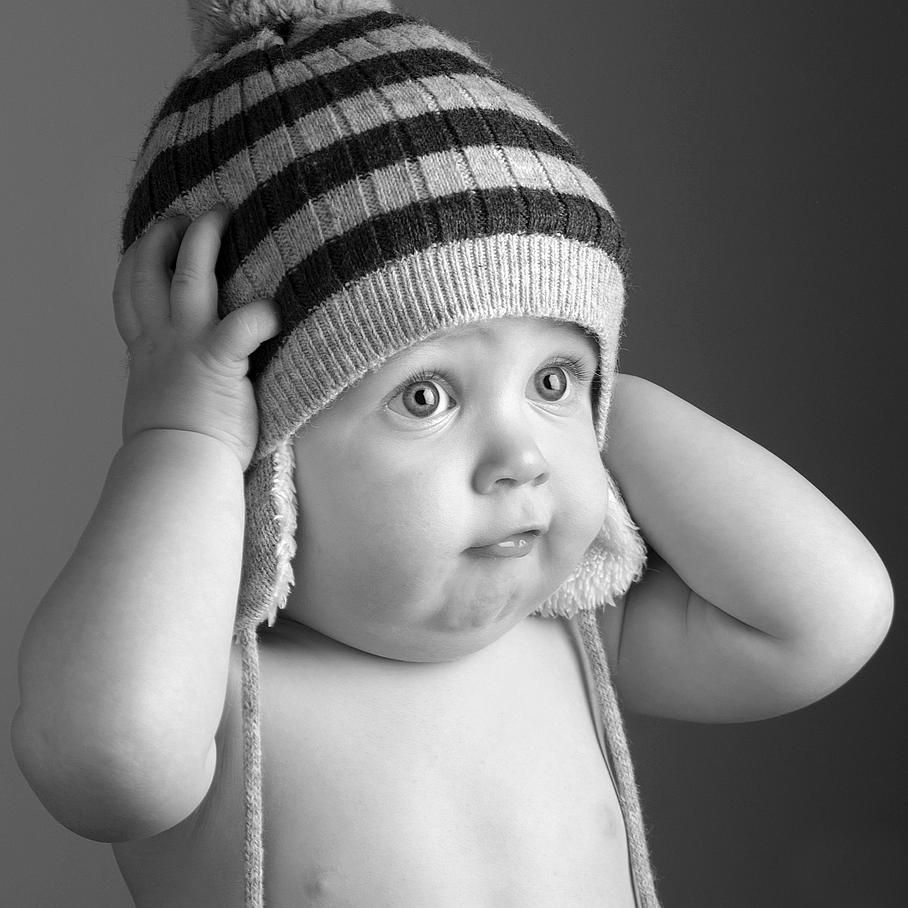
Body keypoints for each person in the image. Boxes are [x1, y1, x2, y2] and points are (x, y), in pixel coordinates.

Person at [10, 2, 893, 906]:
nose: (522, 457)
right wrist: (184, 438)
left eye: (555, 379)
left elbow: (828, 616)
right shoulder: (222, 695)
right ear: (266, 455)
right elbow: (105, 760)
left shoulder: (571, 634)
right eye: (425, 396)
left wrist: (602, 407)